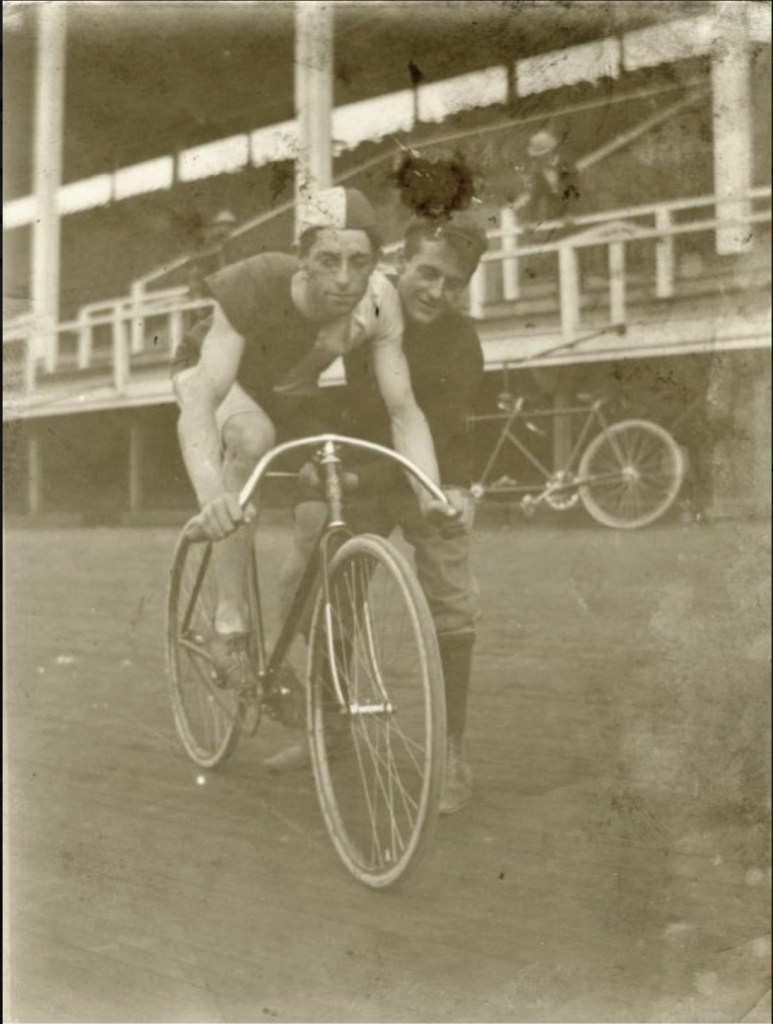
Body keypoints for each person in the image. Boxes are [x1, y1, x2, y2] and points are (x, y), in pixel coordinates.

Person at [171, 187, 455, 691]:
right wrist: (212, 498)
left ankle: (275, 662)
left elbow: (404, 410)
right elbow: (200, 402)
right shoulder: (257, 281)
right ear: (301, 258)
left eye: (358, 261)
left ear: (375, 263)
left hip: (290, 391)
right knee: (253, 436)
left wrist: (429, 493)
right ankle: (230, 624)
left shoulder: (380, 301)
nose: (344, 279)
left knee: (321, 509)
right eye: (327, 260)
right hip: (214, 379)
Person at [266, 211, 489, 816]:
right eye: (427, 273)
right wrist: (317, 452)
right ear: (400, 265)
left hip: (423, 479)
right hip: (360, 476)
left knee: (452, 601)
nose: (436, 292)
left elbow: (459, 427)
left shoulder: (461, 340)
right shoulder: (362, 314)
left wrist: (459, 488)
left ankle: (451, 755)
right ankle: (333, 729)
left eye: (453, 282)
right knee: (325, 592)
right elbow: (300, 389)